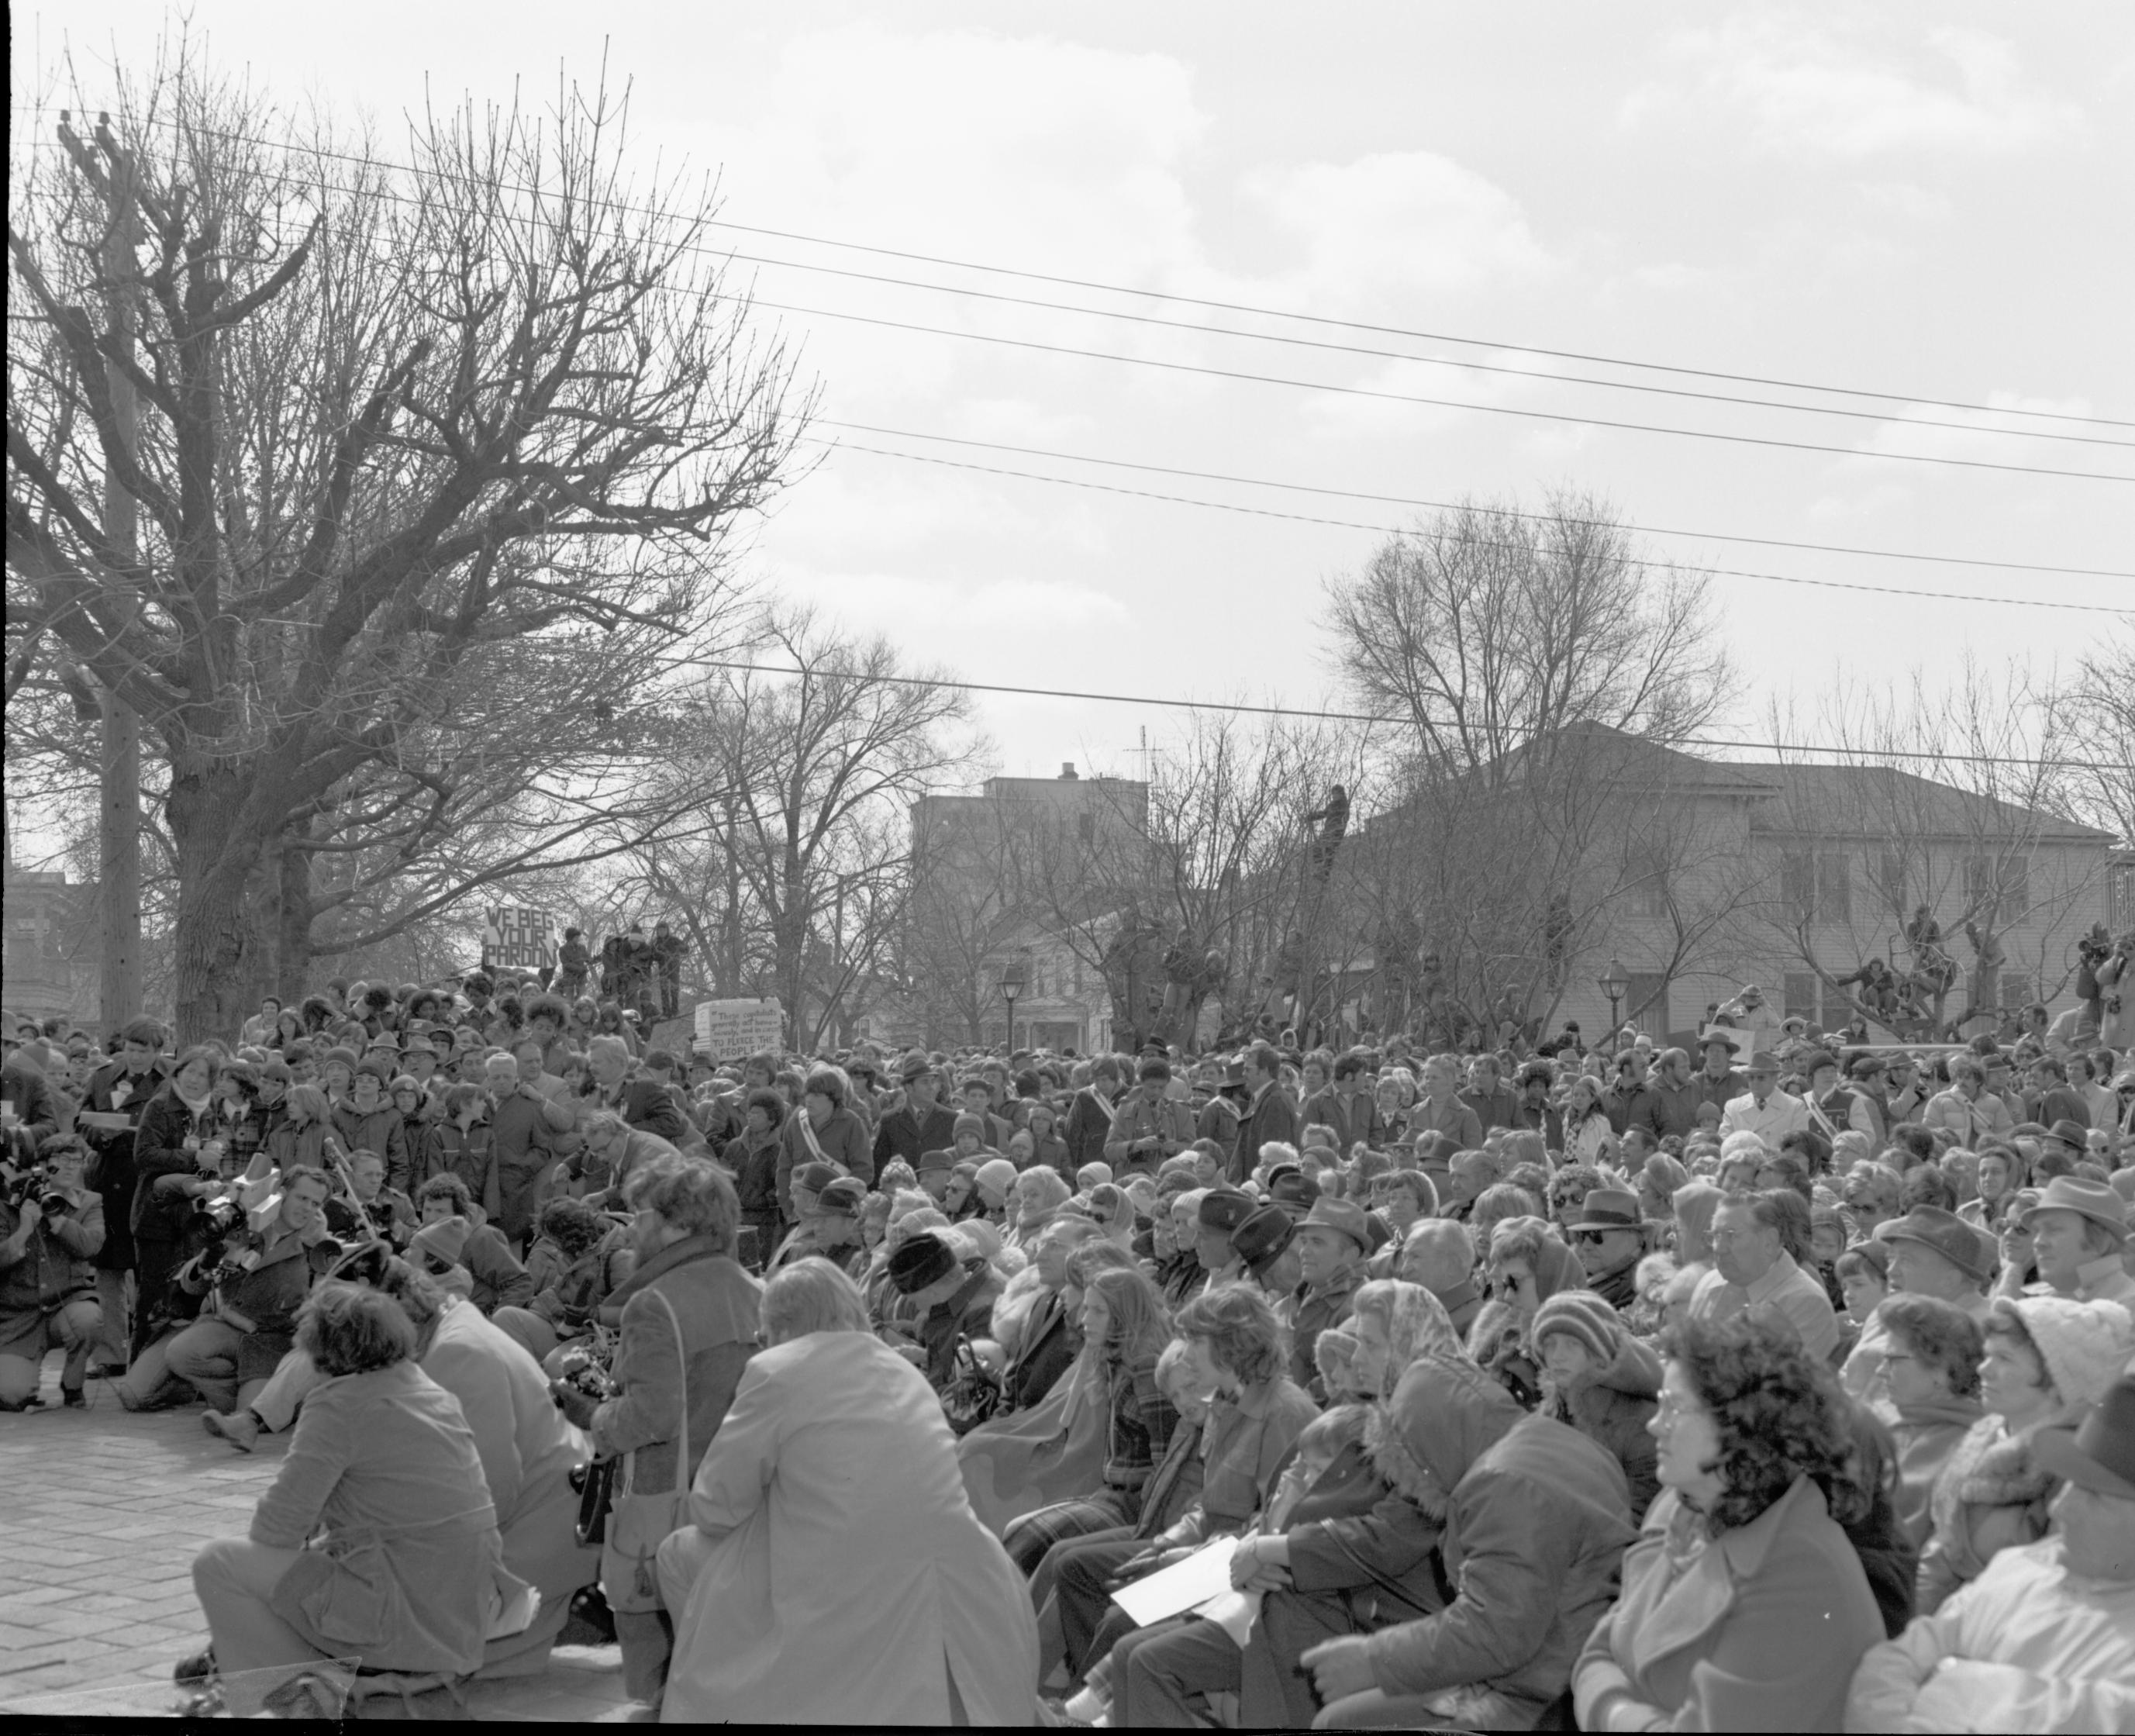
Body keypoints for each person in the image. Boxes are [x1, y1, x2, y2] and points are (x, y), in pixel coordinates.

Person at [655, 1258, 1039, 1724]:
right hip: (962, 1569)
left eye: (764, 1333)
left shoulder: (775, 1369)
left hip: (838, 1578)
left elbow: (716, 1508)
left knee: (677, 1554)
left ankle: (706, 1706)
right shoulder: (902, 1371)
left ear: (780, 1325)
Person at [181, 1283, 525, 1689]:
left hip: (403, 1622)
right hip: (462, 1617)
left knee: (220, 1563)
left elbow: (275, 1531)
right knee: (320, 1550)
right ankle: (252, 1659)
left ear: (320, 1348)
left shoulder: (337, 1404)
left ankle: (284, 1686)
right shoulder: (429, 1391)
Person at [1295, 1349, 1637, 1731]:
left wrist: (1374, 1660)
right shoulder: (1541, 1439)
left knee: (1339, 1721)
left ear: (1426, 1448)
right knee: (1342, 1717)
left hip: (1545, 1698)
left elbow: (1496, 1633)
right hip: (1561, 1666)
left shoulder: (1503, 1484)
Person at [1570, 1316, 1883, 1732]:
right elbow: (1595, 1656)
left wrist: (1611, 1709)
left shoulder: (1803, 1573)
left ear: (1742, 1425)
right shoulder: (1681, 1509)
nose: (1653, 1424)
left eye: (1674, 1408)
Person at [547, 1154, 762, 1704]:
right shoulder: (750, 1286)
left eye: (640, 1214)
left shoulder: (655, 1301)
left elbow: (652, 1415)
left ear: (680, 1225)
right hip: (738, 1494)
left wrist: (592, 1415)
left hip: (663, 1499)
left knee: (657, 1669)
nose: (631, 1226)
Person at [1847, 1376, 2135, 1734]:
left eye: (2095, 1495)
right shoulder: (2023, 1565)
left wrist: (1946, 1679)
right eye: (2071, 1484)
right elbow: (1891, 1662)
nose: (2061, 1507)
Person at [1916, 1293, 2130, 1613]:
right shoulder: (1982, 1437)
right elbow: (1942, 1549)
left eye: (2004, 1359)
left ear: (2058, 1380)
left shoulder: (2075, 1469)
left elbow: (2054, 1587)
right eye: (1988, 1356)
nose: (1984, 1370)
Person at [164, 1165, 337, 1417]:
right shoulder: (246, 1225)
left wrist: (318, 1250)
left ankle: (264, 1404)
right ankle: (256, 1401)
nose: (307, 1209)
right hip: (229, 1324)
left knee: (252, 1415)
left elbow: (317, 1311)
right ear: (282, 1193)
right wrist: (206, 1261)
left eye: (315, 1203)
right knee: (180, 1354)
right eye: (302, 1198)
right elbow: (197, 1284)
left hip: (272, 1341)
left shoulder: (320, 1248)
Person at [1533, 1289, 1663, 1520]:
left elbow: (1638, 1520)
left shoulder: (1641, 1425)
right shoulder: (1547, 1415)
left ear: (1599, 1352)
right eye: (1550, 1344)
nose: (1557, 1356)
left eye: (1572, 1344)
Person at [0, 1144, 105, 1409]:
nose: (71, 1166)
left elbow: (91, 1245)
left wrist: (56, 1219)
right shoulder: (6, 1205)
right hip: (19, 1319)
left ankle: (72, 1385)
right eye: (62, 1159)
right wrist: (24, 1229)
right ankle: (24, 1378)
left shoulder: (90, 1202)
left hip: (64, 1309)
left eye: (77, 1160)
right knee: (12, 1394)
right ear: (44, 1165)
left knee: (88, 1318)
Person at [1878, 1293, 1986, 1548]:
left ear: (1941, 1370)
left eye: (1893, 1360)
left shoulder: (1966, 1446)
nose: (1880, 1371)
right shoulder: (1897, 1424)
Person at [1688, 1188, 1841, 1364]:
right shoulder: (1709, 1283)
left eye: (1732, 1236)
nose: (1719, 1248)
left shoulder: (1808, 1303)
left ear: (1769, 1241)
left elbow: (1795, 1384)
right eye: (1715, 1235)